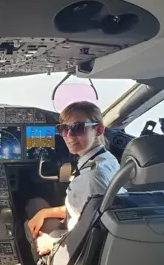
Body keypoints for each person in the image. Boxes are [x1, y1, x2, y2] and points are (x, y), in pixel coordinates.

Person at [25, 101, 125, 261]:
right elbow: (88, 209)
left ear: (99, 129)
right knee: (37, 205)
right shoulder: (107, 158)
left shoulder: (92, 177)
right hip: (92, 229)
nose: (69, 136)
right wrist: (45, 213)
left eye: (78, 128)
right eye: (63, 129)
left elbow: (93, 234)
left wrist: (53, 243)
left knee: (28, 224)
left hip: (82, 249)